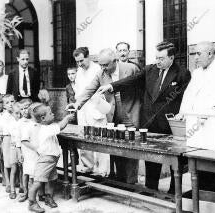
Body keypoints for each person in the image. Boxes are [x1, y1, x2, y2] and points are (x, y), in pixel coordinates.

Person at [98, 41, 191, 192]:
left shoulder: (182, 73)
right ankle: (150, 189)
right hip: (149, 122)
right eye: (156, 57)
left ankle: (175, 192)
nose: (157, 61)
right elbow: (131, 80)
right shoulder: (149, 70)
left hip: (169, 124)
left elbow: (187, 99)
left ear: (171, 58)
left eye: (161, 58)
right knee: (151, 159)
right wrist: (112, 86)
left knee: (175, 161)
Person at [67, 48, 141, 184]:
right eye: (101, 65)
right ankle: (120, 179)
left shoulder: (131, 68)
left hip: (131, 113)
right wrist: (77, 104)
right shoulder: (101, 73)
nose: (103, 68)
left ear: (115, 61)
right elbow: (89, 89)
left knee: (131, 148)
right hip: (112, 114)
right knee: (116, 147)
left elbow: (143, 85)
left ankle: (131, 182)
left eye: (106, 65)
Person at [177, 41, 215, 192]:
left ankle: (211, 196)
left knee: (210, 161)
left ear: (211, 54)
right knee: (197, 161)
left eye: (198, 54)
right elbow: (189, 95)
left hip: (212, 122)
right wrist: (183, 113)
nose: (195, 58)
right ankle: (199, 194)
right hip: (195, 123)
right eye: (194, 54)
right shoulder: (197, 72)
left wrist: (207, 113)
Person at [28, 103, 74, 213]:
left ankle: (48, 197)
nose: (53, 114)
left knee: (52, 179)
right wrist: (67, 117)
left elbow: (57, 126)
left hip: (52, 160)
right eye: (50, 113)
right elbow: (61, 126)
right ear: (43, 118)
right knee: (38, 182)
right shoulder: (45, 129)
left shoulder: (48, 127)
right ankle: (31, 202)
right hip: (45, 160)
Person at [73, 47, 102, 172]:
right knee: (84, 138)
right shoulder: (79, 71)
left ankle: (101, 169)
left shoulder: (97, 69)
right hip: (82, 110)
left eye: (81, 61)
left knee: (99, 138)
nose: (79, 64)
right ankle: (87, 166)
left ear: (88, 56)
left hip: (96, 108)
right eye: (77, 62)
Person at [18, 98, 38, 202]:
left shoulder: (35, 120)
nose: (24, 111)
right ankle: (25, 192)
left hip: (34, 150)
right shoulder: (20, 122)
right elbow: (17, 139)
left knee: (34, 171)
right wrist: (19, 152)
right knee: (25, 172)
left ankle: (33, 192)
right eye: (21, 109)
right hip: (25, 150)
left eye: (26, 108)